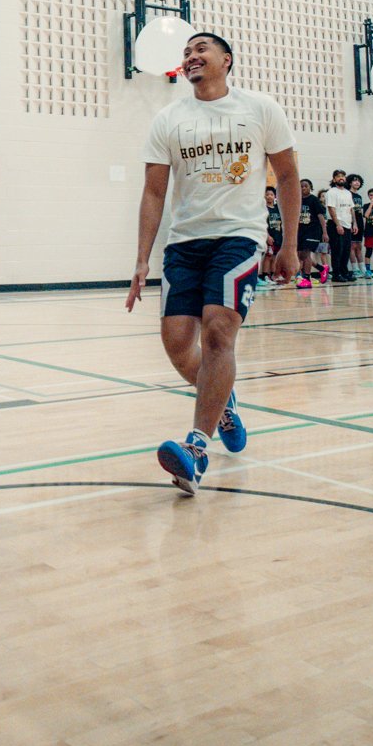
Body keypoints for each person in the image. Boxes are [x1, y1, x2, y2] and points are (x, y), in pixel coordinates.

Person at [126, 31, 300, 496]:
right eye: (186, 53)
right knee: (179, 345)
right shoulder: (169, 119)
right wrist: (142, 258)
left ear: (226, 59)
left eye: (200, 49)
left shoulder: (260, 109)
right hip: (185, 243)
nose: (191, 57)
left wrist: (289, 245)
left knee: (219, 330)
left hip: (239, 237)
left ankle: (197, 449)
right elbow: (154, 191)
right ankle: (223, 404)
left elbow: (286, 176)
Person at [325, 169, 356, 284]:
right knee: (337, 250)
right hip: (336, 224)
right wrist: (338, 224)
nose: (341, 178)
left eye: (343, 176)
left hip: (347, 225)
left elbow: (351, 208)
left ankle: (344, 272)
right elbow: (331, 208)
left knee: (346, 251)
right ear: (334, 179)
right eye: (338, 176)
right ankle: (336, 274)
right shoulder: (331, 192)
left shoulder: (348, 193)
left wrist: (354, 223)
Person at [295, 180, 327, 288]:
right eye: (301, 186)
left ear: (310, 187)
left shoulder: (314, 200)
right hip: (301, 231)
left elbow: (321, 216)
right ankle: (321, 269)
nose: (303, 188)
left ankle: (307, 279)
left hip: (313, 230)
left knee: (305, 254)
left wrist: (325, 232)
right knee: (300, 255)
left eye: (306, 186)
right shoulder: (297, 200)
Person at [259, 185, 283, 287]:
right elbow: (263, 223)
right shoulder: (264, 209)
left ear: (275, 196)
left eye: (271, 194)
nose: (269, 196)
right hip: (269, 236)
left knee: (274, 257)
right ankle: (265, 275)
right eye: (267, 194)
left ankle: (273, 275)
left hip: (278, 236)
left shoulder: (278, 208)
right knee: (268, 256)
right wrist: (267, 236)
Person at [347, 173, 365, 278]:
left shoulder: (359, 196)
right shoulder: (348, 194)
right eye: (354, 180)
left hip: (359, 222)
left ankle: (363, 269)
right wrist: (353, 223)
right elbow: (350, 209)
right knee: (352, 246)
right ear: (349, 182)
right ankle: (355, 269)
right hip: (351, 222)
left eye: (358, 181)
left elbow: (359, 211)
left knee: (359, 246)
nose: (357, 182)